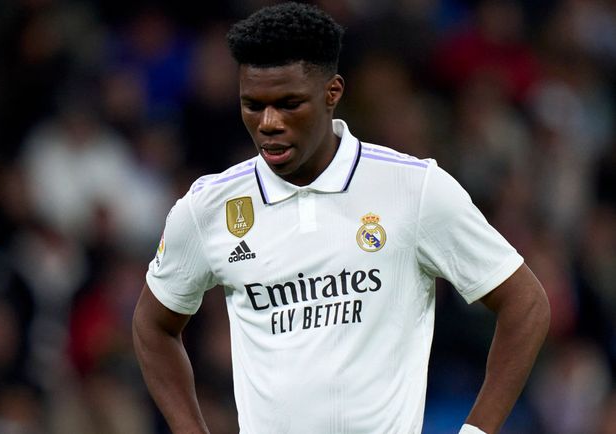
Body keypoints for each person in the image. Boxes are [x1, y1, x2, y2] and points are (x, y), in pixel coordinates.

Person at [132, 3, 550, 433]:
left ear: (332, 93)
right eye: (253, 106)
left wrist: (475, 431)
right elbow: (152, 326)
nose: (268, 123)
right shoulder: (209, 207)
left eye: (289, 104)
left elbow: (526, 303)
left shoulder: (414, 188)